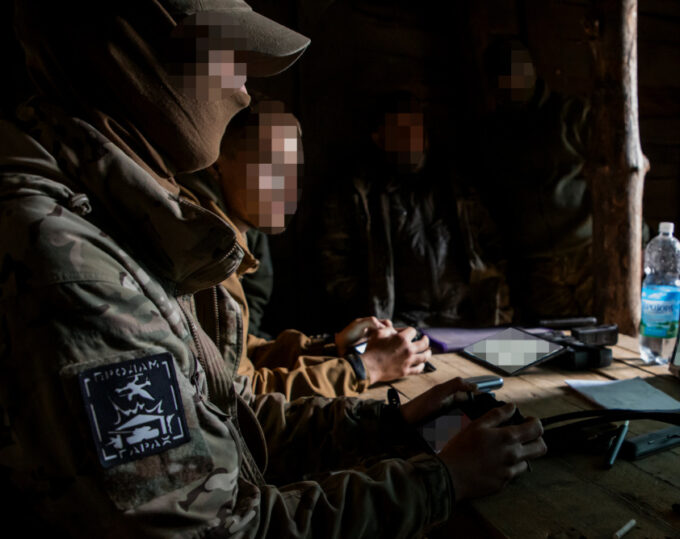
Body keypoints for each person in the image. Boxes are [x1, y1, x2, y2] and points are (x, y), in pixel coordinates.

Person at [0, 2, 545, 536]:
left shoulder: (121, 221)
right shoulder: (73, 263)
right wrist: (440, 481)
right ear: (135, 50)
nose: (242, 90)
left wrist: (387, 422)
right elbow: (214, 530)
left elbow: (223, 413)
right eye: (228, 54)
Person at [179, 100, 428, 399]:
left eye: (293, 167)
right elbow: (241, 400)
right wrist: (364, 368)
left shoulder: (228, 238)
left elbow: (240, 353)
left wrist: (332, 346)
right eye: (269, 165)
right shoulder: (202, 253)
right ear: (216, 164)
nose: (286, 185)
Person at [315, 91, 510, 329]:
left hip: (465, 319)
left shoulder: (456, 185)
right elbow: (335, 260)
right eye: (399, 129)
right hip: (398, 325)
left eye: (415, 128)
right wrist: (365, 309)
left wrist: (497, 297)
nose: (410, 137)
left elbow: (491, 243)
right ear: (379, 137)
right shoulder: (361, 193)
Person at [474, 37, 594, 322]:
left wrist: (640, 239)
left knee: (612, 334)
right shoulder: (490, 137)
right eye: (503, 74)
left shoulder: (572, 115)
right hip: (536, 268)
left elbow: (618, 179)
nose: (512, 80)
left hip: (588, 256)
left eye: (518, 69)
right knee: (557, 343)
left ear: (532, 69)